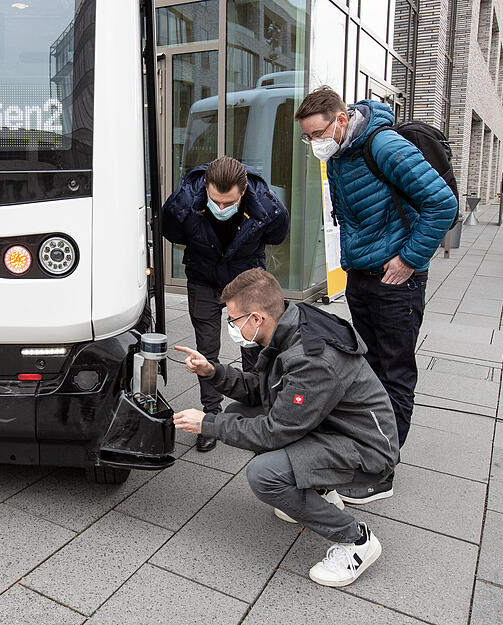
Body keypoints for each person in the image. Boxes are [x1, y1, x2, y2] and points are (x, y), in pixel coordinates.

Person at [172, 268, 399, 587]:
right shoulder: (289, 324)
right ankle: (319, 490)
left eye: (234, 319)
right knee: (241, 411)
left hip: (366, 450)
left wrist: (207, 423)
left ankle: (356, 541)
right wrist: (213, 372)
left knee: (264, 475)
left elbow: (275, 431)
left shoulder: (310, 358)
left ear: (256, 318)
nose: (231, 327)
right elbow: (263, 391)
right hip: (332, 427)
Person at [293, 87, 455, 504]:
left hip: (395, 280)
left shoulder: (383, 145)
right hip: (363, 277)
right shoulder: (342, 154)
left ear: (341, 120)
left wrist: (408, 260)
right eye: (307, 137)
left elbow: (441, 203)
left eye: (317, 133)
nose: (314, 143)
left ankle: (382, 470)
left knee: (395, 372)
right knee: (370, 370)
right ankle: (368, 449)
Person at [161, 156, 289, 452]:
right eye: (215, 201)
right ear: (205, 186)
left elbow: (278, 235)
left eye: (227, 202)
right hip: (204, 277)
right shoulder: (183, 202)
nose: (220, 208)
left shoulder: (267, 206)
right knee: (206, 350)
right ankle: (211, 418)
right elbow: (172, 232)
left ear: (242, 192)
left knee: (254, 345)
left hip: (246, 280)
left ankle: (257, 411)